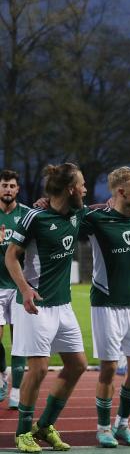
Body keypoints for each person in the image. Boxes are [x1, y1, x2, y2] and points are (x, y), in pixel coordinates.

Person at [6, 163, 88, 453]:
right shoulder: (34, 217)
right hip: (35, 305)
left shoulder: (77, 213)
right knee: (38, 369)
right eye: (82, 185)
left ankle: (44, 425)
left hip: (63, 306)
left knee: (77, 365)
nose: (85, 190)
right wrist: (25, 289)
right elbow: (11, 256)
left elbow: (106, 208)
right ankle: (22, 433)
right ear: (70, 189)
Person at [81, 167, 130, 447]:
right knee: (108, 368)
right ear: (121, 191)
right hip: (105, 304)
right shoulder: (96, 219)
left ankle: (123, 424)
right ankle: (103, 428)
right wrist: (46, 202)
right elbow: (66, 213)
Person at [0, 169, 29, 409]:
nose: (8, 189)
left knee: (19, 340)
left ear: (17, 189)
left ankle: (17, 391)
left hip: (19, 286)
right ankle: (2, 373)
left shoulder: (27, 215)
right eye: (4, 185)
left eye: (12, 186)